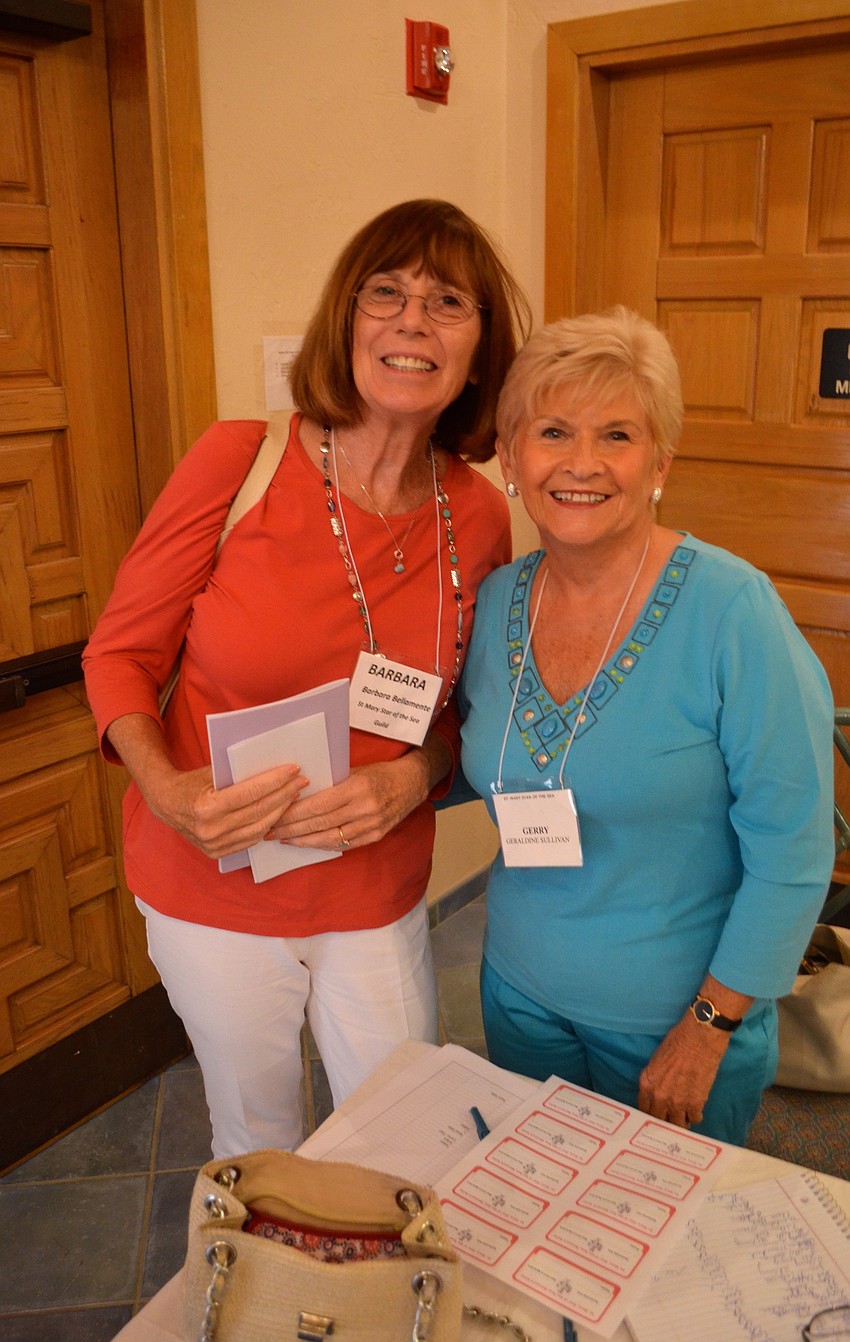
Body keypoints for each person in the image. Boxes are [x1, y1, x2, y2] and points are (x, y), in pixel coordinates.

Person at [83, 199, 531, 1158]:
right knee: (260, 1144)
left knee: (407, 1141)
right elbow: (119, 654)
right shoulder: (239, 461)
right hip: (216, 883)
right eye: (386, 293)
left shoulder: (479, 514)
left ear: (479, 350)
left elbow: (466, 710)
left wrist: (415, 775)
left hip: (375, 881)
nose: (413, 321)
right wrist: (165, 790)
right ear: (346, 320)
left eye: (448, 302)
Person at [457, 306, 834, 1145]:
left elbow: (795, 849)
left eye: (617, 435)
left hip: (678, 1023)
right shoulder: (496, 601)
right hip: (518, 995)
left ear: (659, 461)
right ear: (513, 459)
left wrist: (710, 1024)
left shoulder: (734, 612)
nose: (582, 463)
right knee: (540, 1208)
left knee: (667, 1226)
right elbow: (469, 757)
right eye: (553, 432)